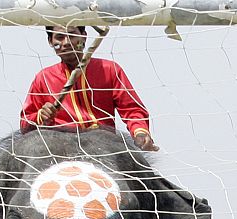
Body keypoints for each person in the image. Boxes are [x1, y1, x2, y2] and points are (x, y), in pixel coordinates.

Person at [20, 26, 158, 152]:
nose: (66, 42)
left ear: (84, 36)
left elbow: (132, 109)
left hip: (106, 148)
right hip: (60, 150)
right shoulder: (43, 78)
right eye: (59, 37)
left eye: (72, 35)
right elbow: (24, 123)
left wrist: (140, 132)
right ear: (50, 41)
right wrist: (41, 116)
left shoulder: (109, 70)